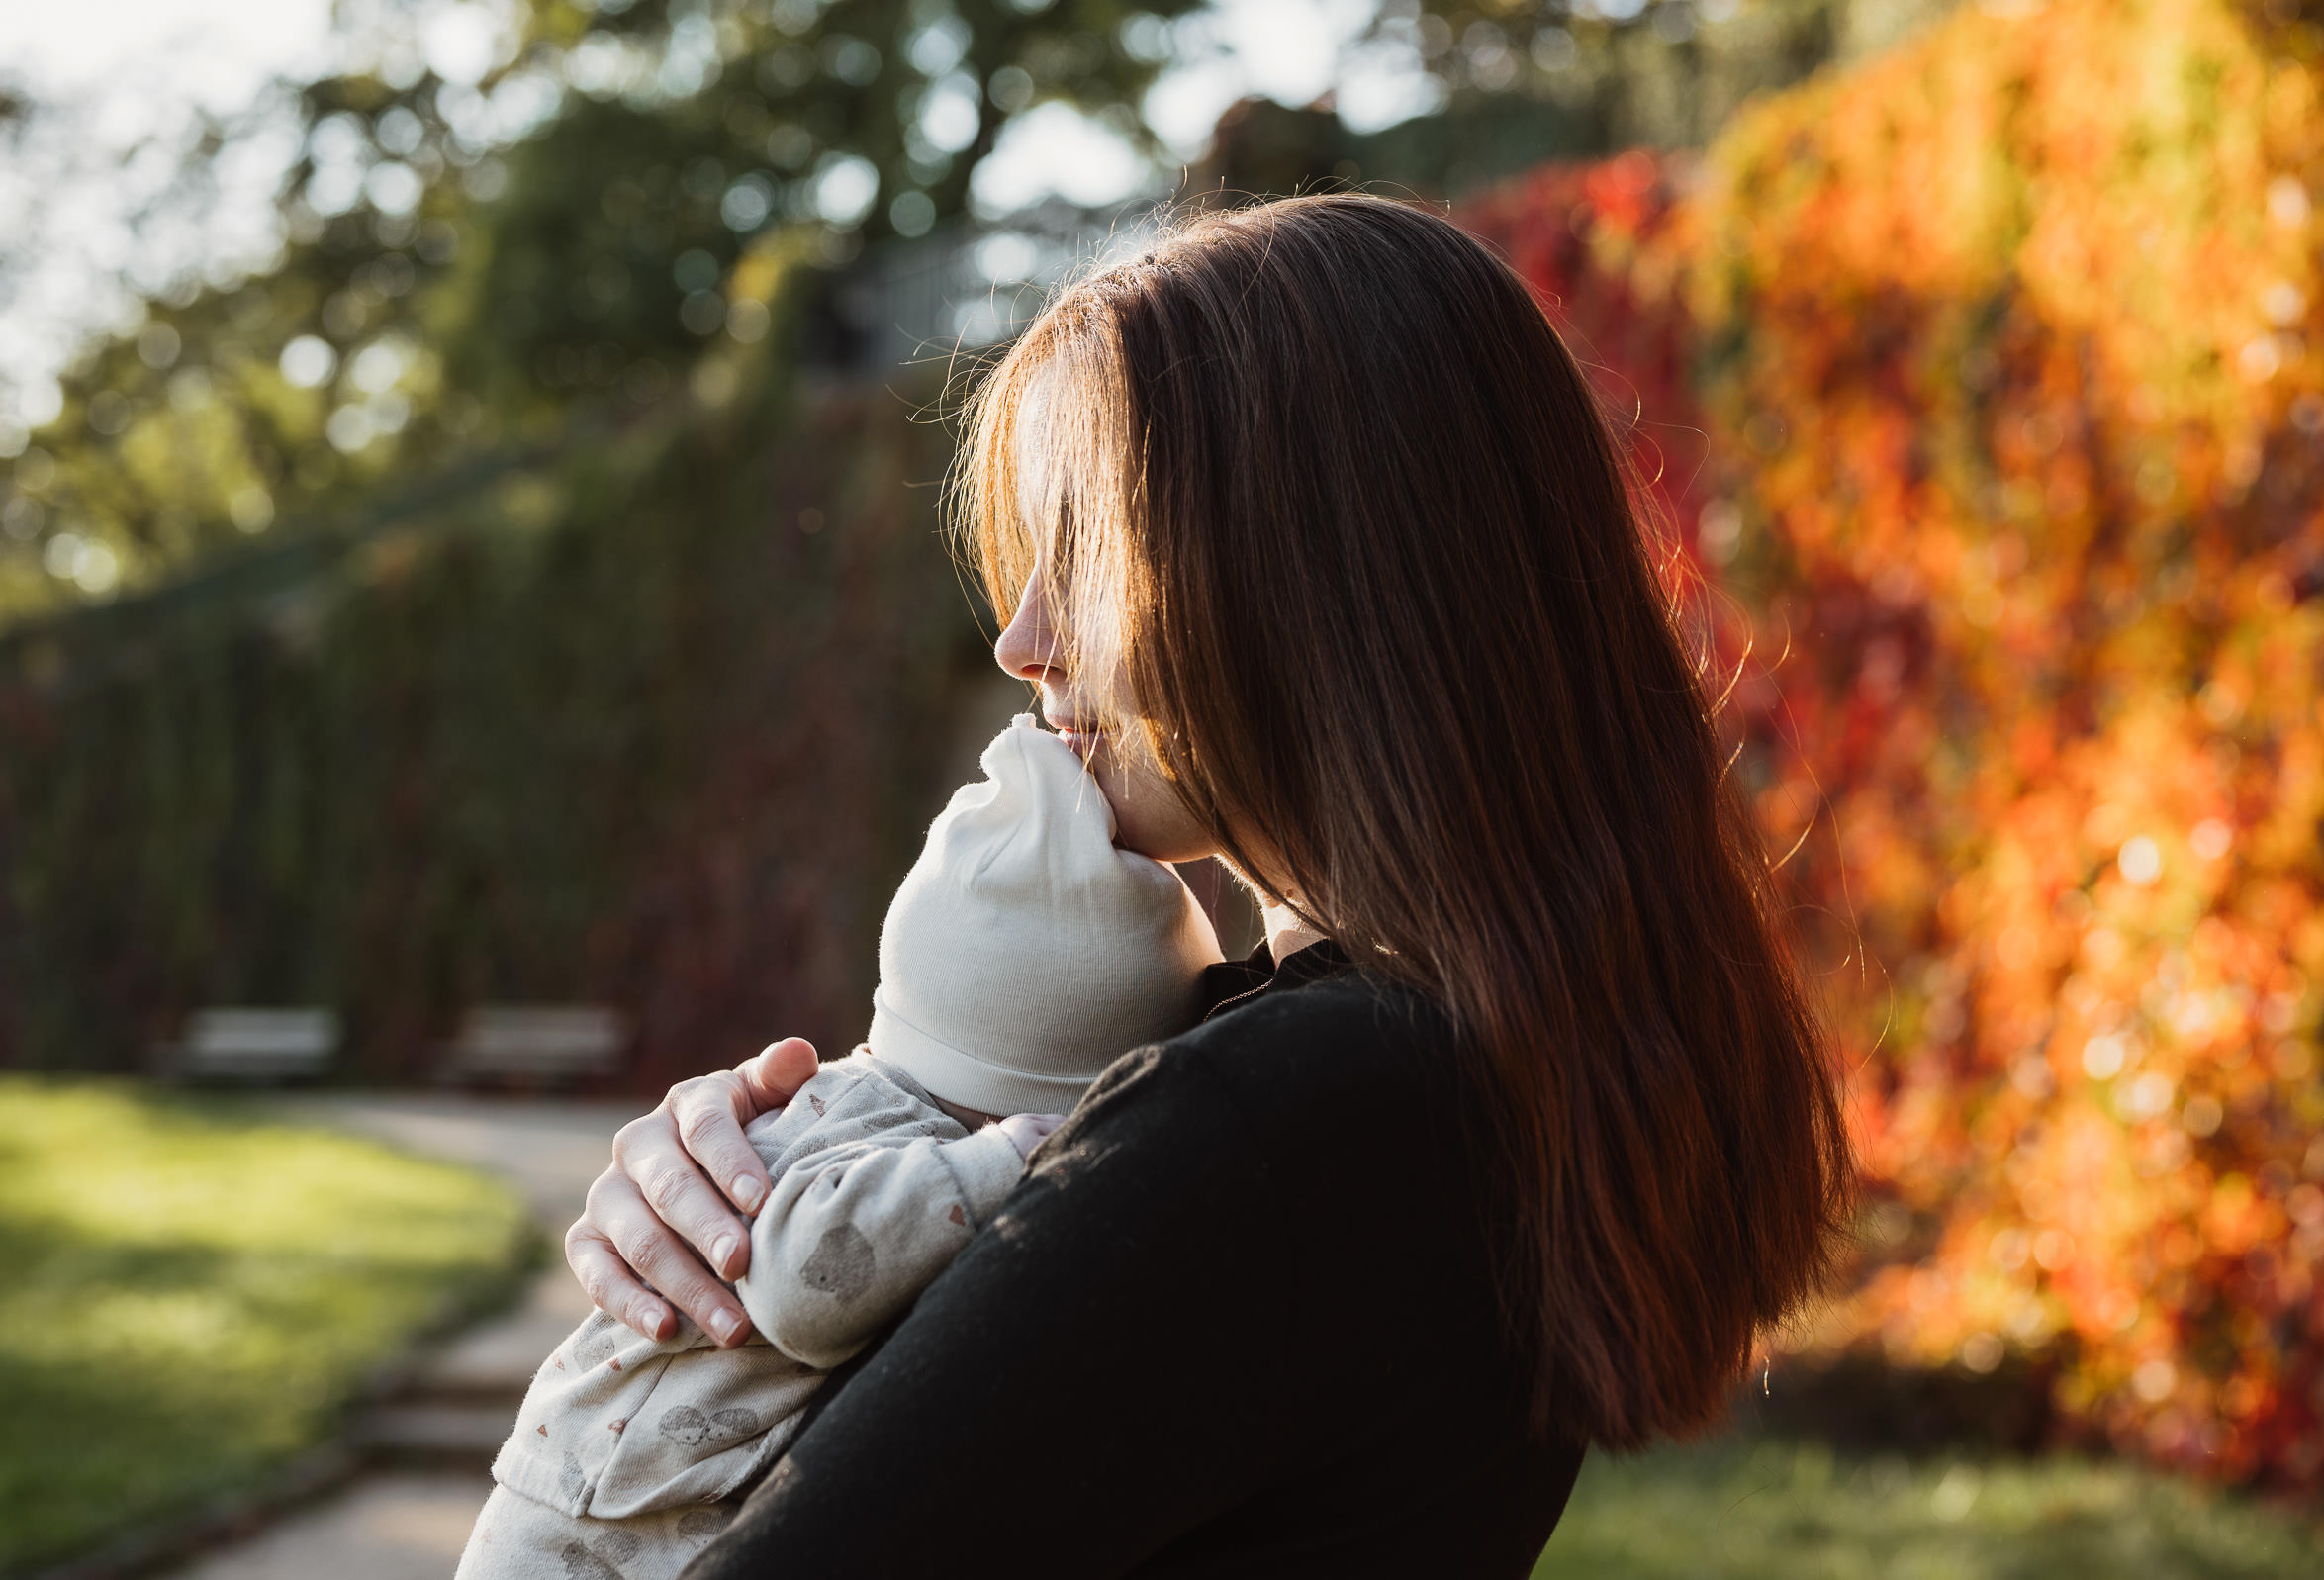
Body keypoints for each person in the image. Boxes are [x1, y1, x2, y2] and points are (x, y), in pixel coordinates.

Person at [562, 193, 1857, 1575]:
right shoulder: (1442, 1081)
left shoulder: (1297, 1118)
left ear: (1312, 574)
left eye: (1084, 554)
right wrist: (768, 1188)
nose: (1021, 639)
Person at [458, 716, 1220, 1578]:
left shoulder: (848, 1102)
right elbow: (796, 1284)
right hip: (595, 1530)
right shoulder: (901, 1137)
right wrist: (1003, 1161)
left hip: (616, 1500)